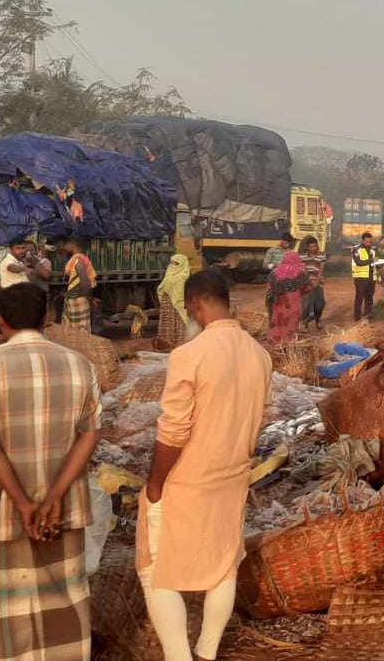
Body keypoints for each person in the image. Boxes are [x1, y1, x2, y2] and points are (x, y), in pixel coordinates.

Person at [0, 283, 103, 661]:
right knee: (66, 595)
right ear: (48, 318)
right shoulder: (79, 364)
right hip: (63, 507)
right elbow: (89, 437)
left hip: (8, 508)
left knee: (11, 607)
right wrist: (53, 496)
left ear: (0, 321)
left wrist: (23, 502)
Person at [138, 270, 273, 661]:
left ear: (195, 303)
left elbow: (173, 432)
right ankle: (207, 652)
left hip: (186, 480)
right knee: (222, 568)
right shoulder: (258, 354)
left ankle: (179, 656)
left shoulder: (189, 355)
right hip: (232, 475)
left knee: (156, 570)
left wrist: (155, 482)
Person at [265, 251, 309, 344]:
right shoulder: (301, 273)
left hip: (278, 304)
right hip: (293, 305)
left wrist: (270, 305)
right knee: (291, 325)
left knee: (277, 323)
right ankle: (288, 346)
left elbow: (269, 290)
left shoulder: (274, 272)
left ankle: (275, 346)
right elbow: (308, 287)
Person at [156, 254, 194, 350]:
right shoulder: (169, 271)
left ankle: (180, 344)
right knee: (168, 322)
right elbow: (163, 285)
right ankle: (166, 344)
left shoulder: (183, 275)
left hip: (179, 303)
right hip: (168, 302)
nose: (172, 264)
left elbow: (182, 290)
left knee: (180, 321)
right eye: (172, 262)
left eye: (175, 263)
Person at [61, 236, 96, 332]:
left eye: (66, 244)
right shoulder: (80, 259)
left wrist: (89, 298)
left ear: (73, 245)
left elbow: (85, 283)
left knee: (80, 331)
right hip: (76, 298)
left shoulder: (78, 261)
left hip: (78, 299)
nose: (64, 246)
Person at [299, 236, 327, 330]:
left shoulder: (321, 256)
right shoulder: (302, 257)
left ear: (317, 246)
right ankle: (305, 323)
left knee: (320, 304)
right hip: (306, 284)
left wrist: (316, 282)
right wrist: (309, 283)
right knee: (305, 305)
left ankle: (318, 319)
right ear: (307, 247)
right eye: (310, 247)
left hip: (318, 283)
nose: (312, 249)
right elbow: (303, 271)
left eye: (314, 246)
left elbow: (321, 270)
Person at [351, 232, 378, 321]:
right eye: (367, 242)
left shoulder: (372, 250)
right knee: (359, 297)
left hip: (371, 277)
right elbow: (359, 262)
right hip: (360, 277)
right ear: (362, 240)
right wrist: (371, 261)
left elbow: (374, 262)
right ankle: (357, 316)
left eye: (370, 242)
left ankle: (368, 314)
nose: (369, 243)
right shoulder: (356, 249)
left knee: (369, 296)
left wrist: (378, 264)